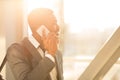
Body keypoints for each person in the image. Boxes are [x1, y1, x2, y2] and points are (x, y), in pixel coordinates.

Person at [6, 8, 63, 80]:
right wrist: (50, 55)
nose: (58, 28)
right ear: (42, 29)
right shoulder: (16, 51)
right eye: (54, 23)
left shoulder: (57, 53)